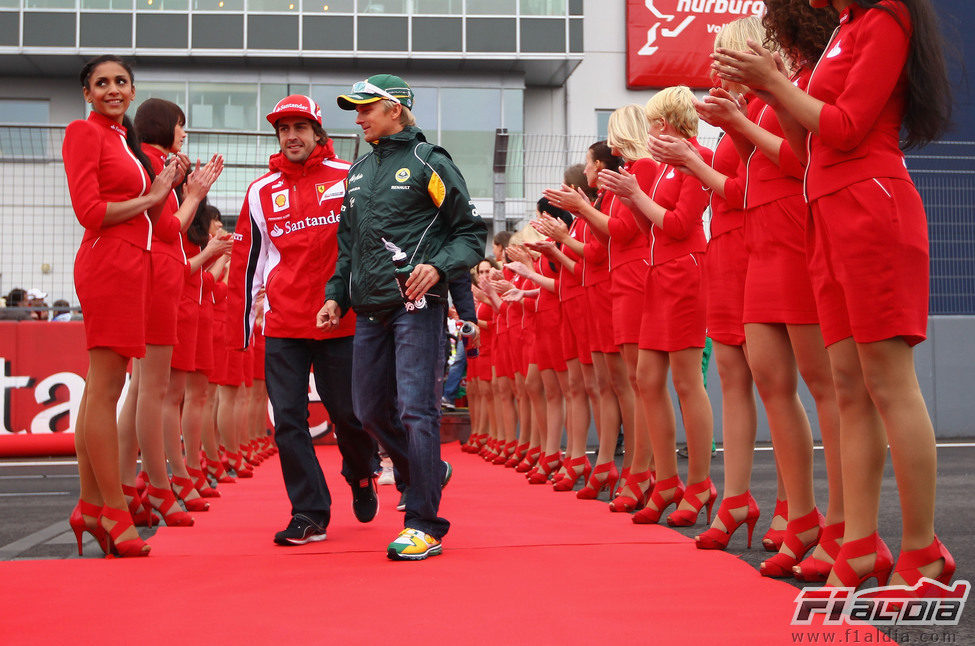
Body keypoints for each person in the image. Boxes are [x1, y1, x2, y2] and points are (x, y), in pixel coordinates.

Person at [713, 0, 955, 589]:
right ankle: (860, 541)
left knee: (889, 383)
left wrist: (773, 85)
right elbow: (804, 148)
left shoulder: (887, 16)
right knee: (849, 385)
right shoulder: (846, 29)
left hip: (871, 206)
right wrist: (771, 92)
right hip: (825, 211)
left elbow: (846, 127)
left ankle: (921, 549)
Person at [320, 74, 487, 560]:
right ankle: (427, 469)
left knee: (418, 409)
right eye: (356, 109)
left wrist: (438, 267)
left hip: (417, 305)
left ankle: (425, 523)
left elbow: (470, 234)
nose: (358, 117)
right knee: (367, 410)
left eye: (365, 108)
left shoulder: (429, 162)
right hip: (369, 310)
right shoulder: (356, 172)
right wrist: (336, 295)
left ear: (395, 109)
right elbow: (347, 248)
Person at [228, 94, 379, 546]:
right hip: (284, 323)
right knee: (288, 420)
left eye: (299, 128)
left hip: (342, 320)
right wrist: (240, 325)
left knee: (351, 415)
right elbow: (247, 261)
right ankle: (309, 511)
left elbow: (369, 246)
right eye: (282, 129)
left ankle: (359, 469)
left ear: (318, 133)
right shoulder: (260, 191)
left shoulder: (350, 176)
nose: (291, 136)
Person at [63, 54, 181, 557]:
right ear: (87, 93)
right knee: (106, 387)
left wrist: (165, 191)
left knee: (102, 387)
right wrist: (154, 193)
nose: (113, 89)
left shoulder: (121, 140)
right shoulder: (83, 133)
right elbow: (89, 211)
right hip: (108, 262)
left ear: (132, 92)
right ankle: (110, 506)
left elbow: (154, 215)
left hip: (131, 264)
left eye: (121, 82)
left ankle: (93, 505)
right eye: (101, 83)